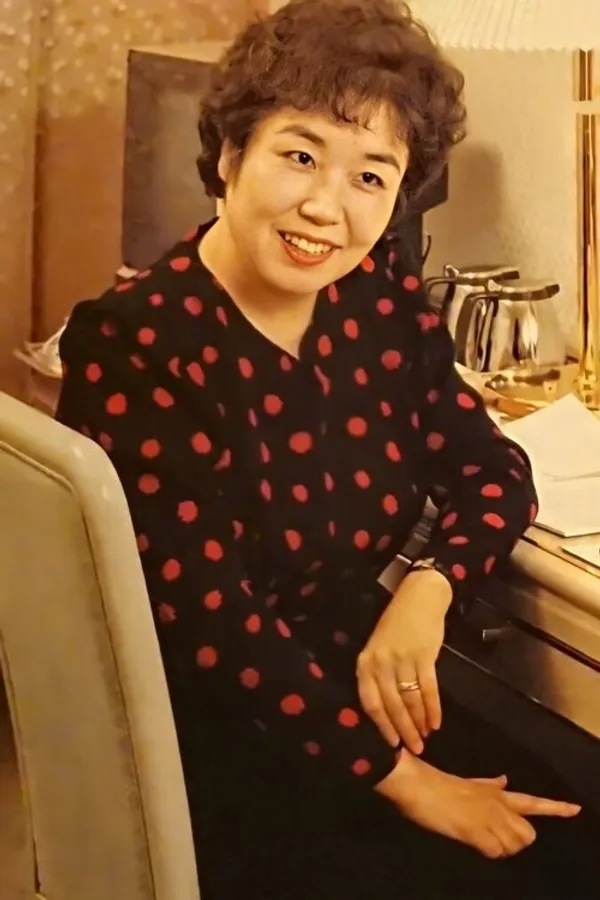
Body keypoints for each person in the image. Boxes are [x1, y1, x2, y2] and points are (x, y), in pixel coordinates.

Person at [55, 1, 600, 897]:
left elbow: (494, 470)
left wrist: (429, 588)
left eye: (370, 176)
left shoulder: (377, 303)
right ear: (231, 156)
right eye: (300, 156)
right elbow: (212, 628)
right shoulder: (137, 342)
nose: (325, 208)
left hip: (355, 675)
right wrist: (411, 784)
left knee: (576, 829)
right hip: (213, 731)